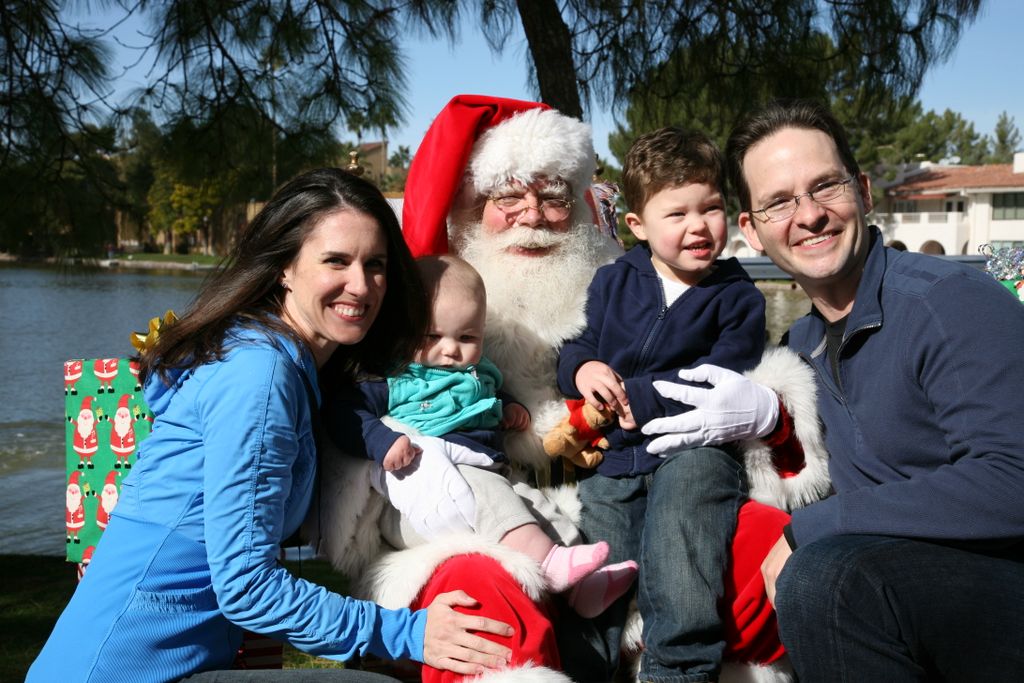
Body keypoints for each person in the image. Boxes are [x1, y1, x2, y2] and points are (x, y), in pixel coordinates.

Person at [318, 95, 827, 683]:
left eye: (555, 197)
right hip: (470, 508)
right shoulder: (419, 309)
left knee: (761, 548)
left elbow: (737, 377)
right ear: (470, 208)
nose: (532, 216)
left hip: (625, 478)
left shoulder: (615, 281)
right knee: (485, 602)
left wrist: (764, 409)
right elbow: (356, 417)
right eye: (508, 196)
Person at [29, 168, 516, 682]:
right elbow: (246, 587)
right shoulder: (260, 377)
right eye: (336, 261)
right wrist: (406, 632)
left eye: (375, 264)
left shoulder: (284, 362)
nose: (362, 284)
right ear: (285, 267)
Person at [645, 98, 1024, 681]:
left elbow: (1013, 479)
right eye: (778, 202)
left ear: (865, 192)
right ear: (751, 230)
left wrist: (817, 528)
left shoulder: (947, 301)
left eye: (826, 187)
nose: (810, 215)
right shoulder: (798, 349)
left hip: (992, 585)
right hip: (892, 594)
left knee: (827, 576)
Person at [557, 127, 767, 682]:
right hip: (616, 458)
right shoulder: (613, 281)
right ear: (638, 226)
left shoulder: (738, 296)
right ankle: (584, 671)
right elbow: (577, 343)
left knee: (681, 557)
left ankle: (679, 668)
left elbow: (722, 377)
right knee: (598, 571)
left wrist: (639, 396)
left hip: (695, 450)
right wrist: (583, 369)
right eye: (677, 215)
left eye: (712, 208)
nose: (699, 225)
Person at [329, 254, 638, 618]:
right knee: (495, 494)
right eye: (432, 336)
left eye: (467, 336)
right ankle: (547, 561)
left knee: (540, 506)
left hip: (487, 480)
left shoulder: (480, 371)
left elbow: (487, 395)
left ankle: (583, 588)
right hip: (421, 501)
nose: (451, 350)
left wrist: (507, 408)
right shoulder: (398, 378)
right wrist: (382, 441)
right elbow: (344, 411)